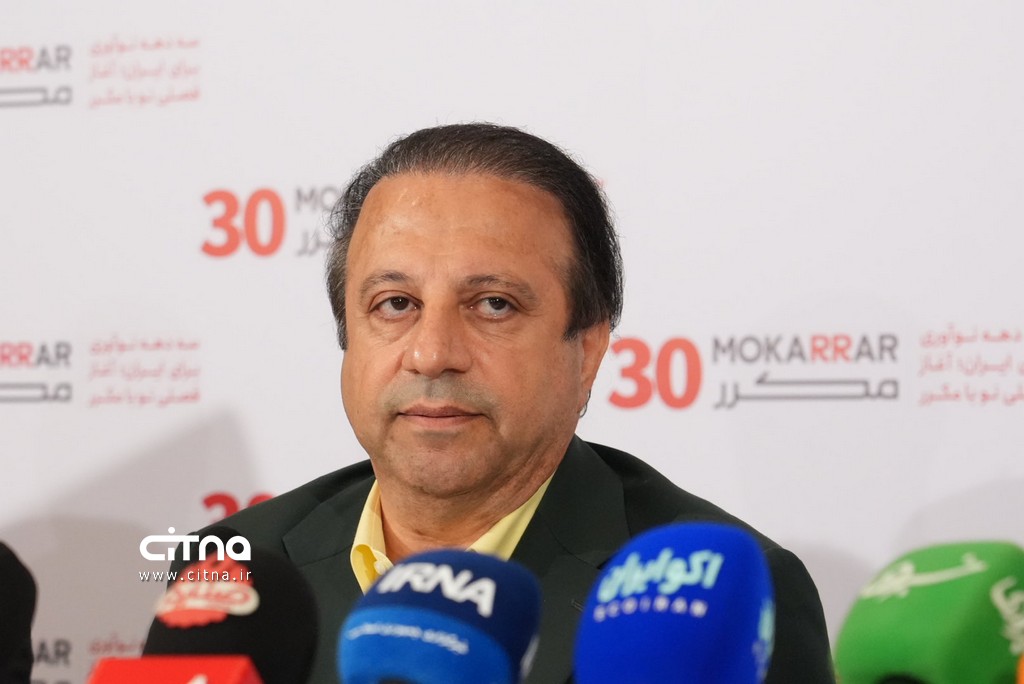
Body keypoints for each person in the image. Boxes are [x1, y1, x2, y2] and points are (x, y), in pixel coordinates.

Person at [207, 123, 835, 682]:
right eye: (395, 304)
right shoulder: (233, 571)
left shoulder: (721, 604)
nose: (432, 353)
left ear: (587, 350)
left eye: (493, 305)